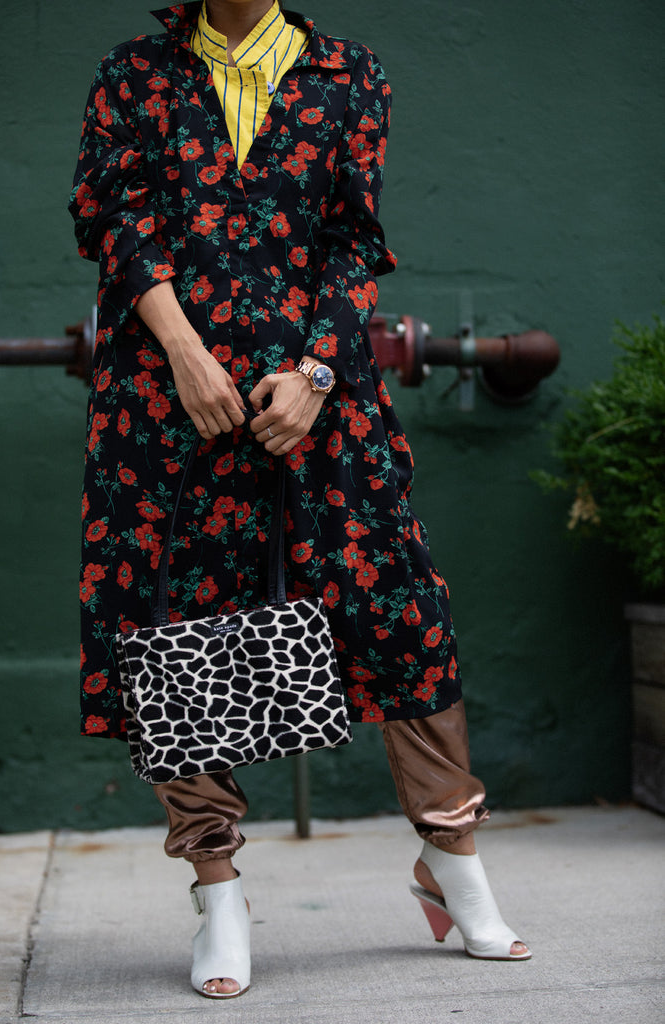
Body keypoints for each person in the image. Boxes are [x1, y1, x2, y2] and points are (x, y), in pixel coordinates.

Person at [69, 0, 531, 1000]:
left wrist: (317, 371)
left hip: (318, 401)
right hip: (165, 402)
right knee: (172, 624)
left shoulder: (347, 73)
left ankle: (451, 861)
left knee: (398, 607)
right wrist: (185, 355)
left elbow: (350, 241)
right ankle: (218, 892)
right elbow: (114, 224)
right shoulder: (134, 72)